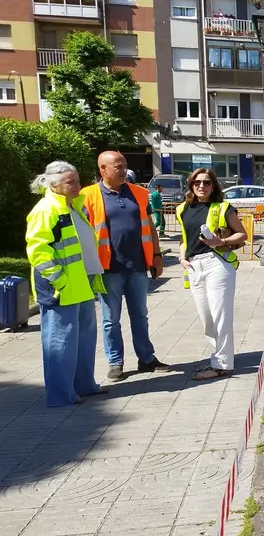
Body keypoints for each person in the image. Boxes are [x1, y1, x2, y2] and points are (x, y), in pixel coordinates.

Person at [26, 162, 109, 406]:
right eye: (70, 182)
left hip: (81, 283)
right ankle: (61, 396)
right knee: (60, 341)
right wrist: (59, 280)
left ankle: (84, 386)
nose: (77, 186)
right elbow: (38, 251)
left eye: (77, 180)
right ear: (54, 185)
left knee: (83, 339)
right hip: (60, 288)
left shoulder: (73, 206)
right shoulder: (46, 210)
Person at [81, 151, 169, 381]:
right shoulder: (87, 196)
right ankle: (115, 362)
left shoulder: (139, 193)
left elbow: (150, 227)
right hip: (108, 268)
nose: (124, 170)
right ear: (103, 169)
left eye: (125, 165)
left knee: (140, 315)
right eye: (118, 166)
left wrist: (157, 256)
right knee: (111, 320)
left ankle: (146, 359)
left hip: (137, 266)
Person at [176, 168, 247, 380]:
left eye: (207, 182)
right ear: (191, 185)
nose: (201, 186)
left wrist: (221, 241)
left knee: (220, 315)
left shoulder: (223, 207)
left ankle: (222, 365)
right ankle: (218, 356)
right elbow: (184, 238)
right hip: (194, 266)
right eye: (197, 182)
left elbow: (242, 234)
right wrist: (182, 258)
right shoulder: (183, 209)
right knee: (206, 318)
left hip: (217, 264)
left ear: (213, 186)